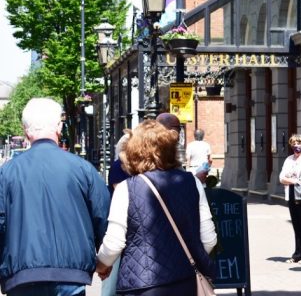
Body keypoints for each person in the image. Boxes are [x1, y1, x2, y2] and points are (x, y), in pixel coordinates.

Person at [0, 97, 110, 296]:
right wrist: (104, 261)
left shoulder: (7, 173)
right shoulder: (83, 169)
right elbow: (102, 215)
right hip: (71, 275)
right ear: (59, 127)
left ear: (25, 130)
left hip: (22, 276)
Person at [96, 120, 217, 295]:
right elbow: (209, 239)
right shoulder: (193, 183)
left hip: (142, 286)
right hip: (186, 282)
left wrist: (101, 265)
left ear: (133, 152)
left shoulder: (126, 189)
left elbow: (114, 243)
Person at [100, 134, 131, 296]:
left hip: (124, 222)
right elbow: (120, 193)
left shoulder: (123, 166)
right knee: (112, 279)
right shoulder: (118, 166)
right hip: (123, 221)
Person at [279, 133, 301, 264]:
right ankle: (298, 254)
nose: (296, 145)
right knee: (297, 225)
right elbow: (281, 177)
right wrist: (294, 180)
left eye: (299, 143)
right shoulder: (289, 159)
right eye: (293, 143)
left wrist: (291, 179)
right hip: (291, 194)